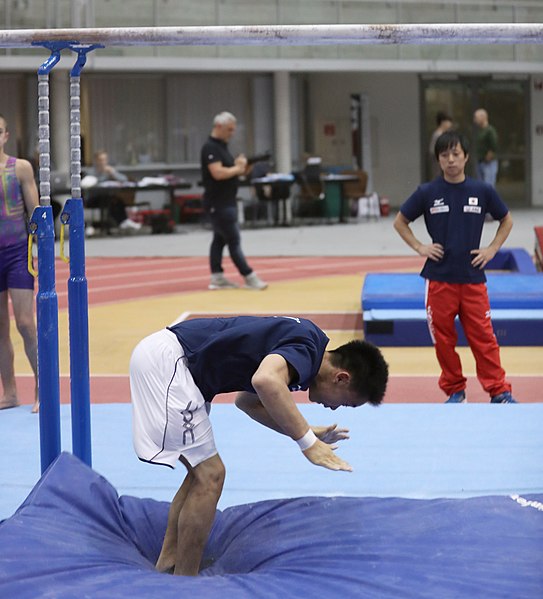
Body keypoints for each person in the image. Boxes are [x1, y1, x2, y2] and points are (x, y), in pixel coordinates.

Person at [129, 315, 389, 576]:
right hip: (171, 364)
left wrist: (305, 429)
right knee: (211, 475)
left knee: (201, 474)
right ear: (341, 378)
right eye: (344, 403)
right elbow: (265, 381)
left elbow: (248, 402)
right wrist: (306, 442)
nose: (334, 408)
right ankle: (184, 583)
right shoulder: (306, 350)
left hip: (180, 368)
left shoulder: (306, 348)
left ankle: (170, 563)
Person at [393, 130, 517, 404]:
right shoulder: (427, 192)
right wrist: (420, 247)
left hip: (473, 279)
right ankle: (455, 391)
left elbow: (506, 220)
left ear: (466, 157)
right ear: (438, 160)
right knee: (444, 342)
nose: (450, 160)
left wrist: (492, 249)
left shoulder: (482, 190)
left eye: (456, 154)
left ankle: (499, 391)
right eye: (444, 155)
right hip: (439, 281)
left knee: (484, 339)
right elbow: (400, 221)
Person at [201, 112, 267, 290]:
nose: (232, 133)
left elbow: (233, 172)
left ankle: (217, 277)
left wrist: (245, 166)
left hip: (226, 201)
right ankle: (249, 275)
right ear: (219, 127)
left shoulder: (222, 148)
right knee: (233, 239)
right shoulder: (210, 148)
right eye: (229, 130)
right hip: (219, 203)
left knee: (219, 240)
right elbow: (218, 173)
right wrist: (237, 168)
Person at [0, 113, 40, 413]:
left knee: (26, 324)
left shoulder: (20, 168)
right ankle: (11, 393)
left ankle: (42, 387)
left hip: (17, 253)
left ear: (5, 135)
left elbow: (36, 214)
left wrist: (44, 255)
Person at [84, 150, 141, 234]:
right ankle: (120, 222)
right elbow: (88, 183)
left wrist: (113, 173)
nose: (102, 162)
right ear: (96, 160)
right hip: (94, 199)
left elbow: (124, 179)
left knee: (117, 200)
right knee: (109, 200)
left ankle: (123, 221)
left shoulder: (109, 170)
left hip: (108, 198)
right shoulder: (90, 172)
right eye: (100, 160)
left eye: (104, 160)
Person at [473, 108, 499, 187]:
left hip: (488, 163)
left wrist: (489, 156)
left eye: (476, 118)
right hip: (480, 161)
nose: (475, 120)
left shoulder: (490, 130)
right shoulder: (480, 131)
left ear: (483, 117)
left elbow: (494, 145)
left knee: (488, 186)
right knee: (481, 186)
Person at [428, 111, 453, 178]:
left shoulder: (446, 134)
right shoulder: (437, 135)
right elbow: (432, 150)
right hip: (438, 162)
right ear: (443, 122)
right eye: (448, 121)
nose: (450, 124)